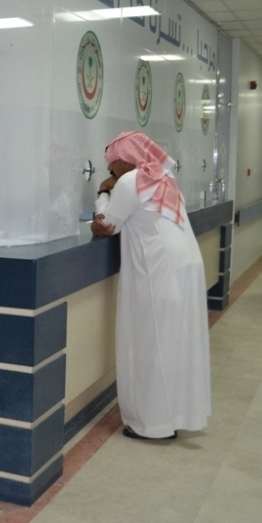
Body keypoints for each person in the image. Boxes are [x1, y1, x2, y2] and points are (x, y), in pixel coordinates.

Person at [91, 131, 210, 440]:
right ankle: (175, 416)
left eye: (111, 163)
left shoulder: (130, 182)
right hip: (184, 266)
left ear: (125, 159)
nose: (109, 169)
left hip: (158, 271)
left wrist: (102, 193)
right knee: (174, 343)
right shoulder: (163, 178)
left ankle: (152, 425)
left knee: (151, 344)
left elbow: (107, 225)